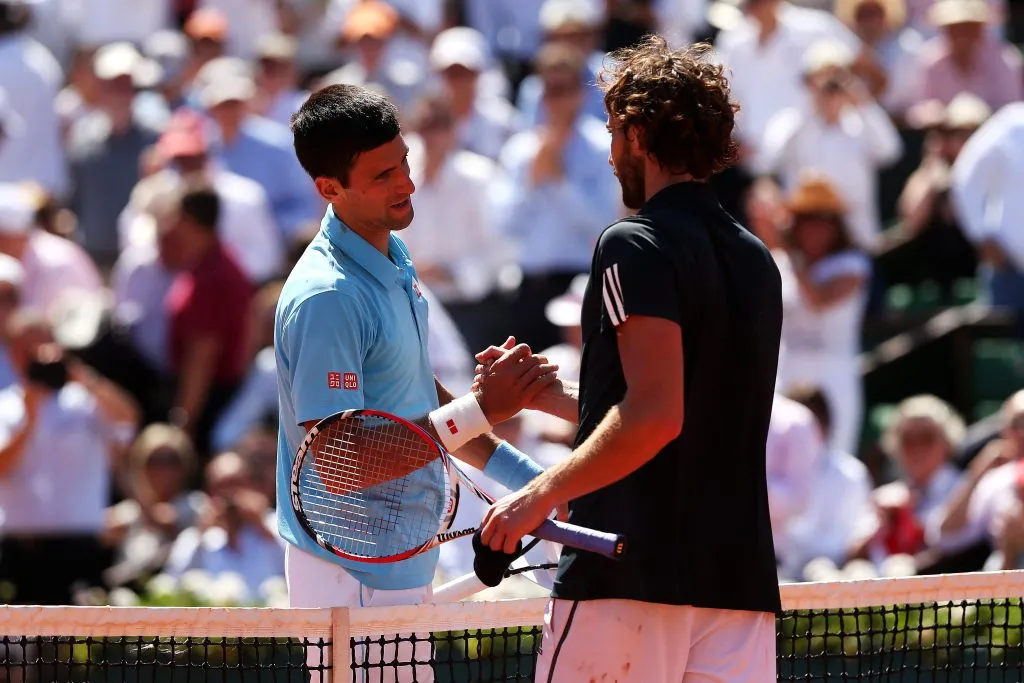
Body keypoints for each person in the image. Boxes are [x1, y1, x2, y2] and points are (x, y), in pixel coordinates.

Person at [476, 35, 783, 682]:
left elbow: (654, 415)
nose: (612, 151)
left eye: (615, 131)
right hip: (738, 586)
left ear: (639, 134)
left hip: (630, 578)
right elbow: (690, 412)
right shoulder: (757, 260)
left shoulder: (632, 243)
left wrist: (538, 494)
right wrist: (563, 401)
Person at [276, 84, 556, 680]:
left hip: (399, 562)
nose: (405, 181)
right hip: (348, 576)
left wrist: (533, 480)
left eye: (404, 161)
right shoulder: (327, 297)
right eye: (382, 174)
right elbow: (339, 464)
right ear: (330, 189)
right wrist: (482, 409)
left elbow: (414, 394)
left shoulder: (394, 255)